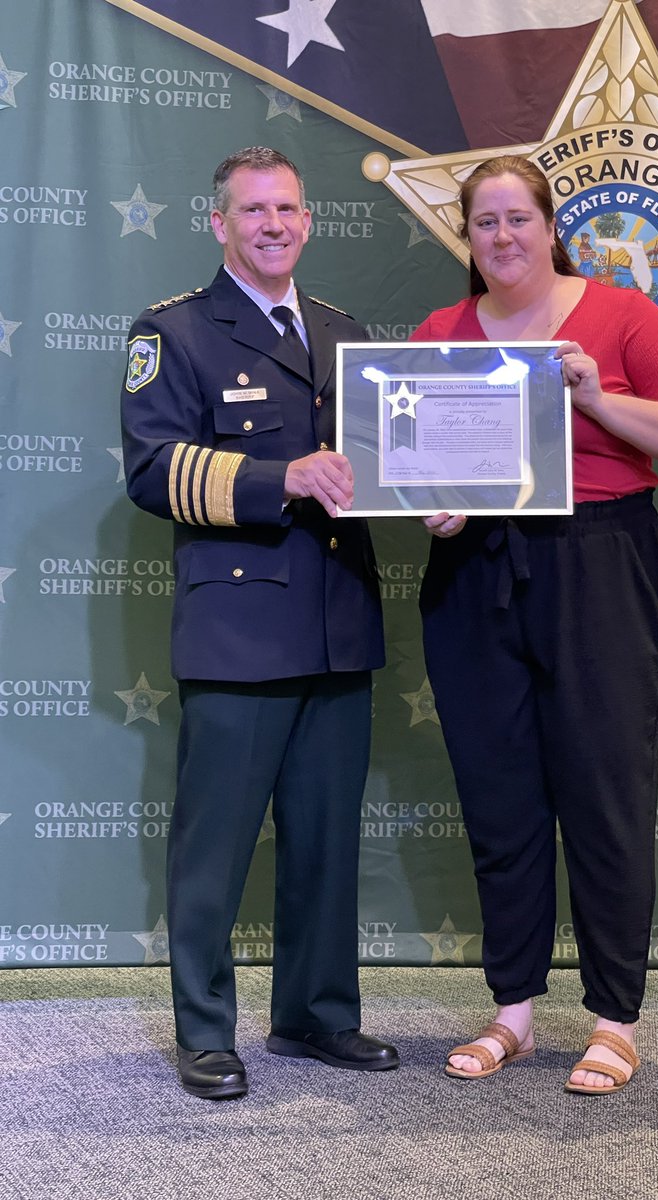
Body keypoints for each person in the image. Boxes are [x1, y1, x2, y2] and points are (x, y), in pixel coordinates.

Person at [411, 155, 658, 1095]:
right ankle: (512, 1013)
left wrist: (594, 399)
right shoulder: (442, 333)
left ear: (552, 227)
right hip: (475, 571)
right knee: (499, 795)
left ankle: (614, 1020)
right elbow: (420, 463)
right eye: (485, 223)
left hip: (600, 561)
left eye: (519, 219)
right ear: (469, 238)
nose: (504, 237)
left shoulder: (624, 319)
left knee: (604, 789)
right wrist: (439, 503)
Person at [120, 146, 398, 1100]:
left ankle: (317, 1016)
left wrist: (429, 497)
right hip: (238, 628)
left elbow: (376, 466)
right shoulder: (178, 332)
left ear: (308, 220)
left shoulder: (342, 331)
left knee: (326, 840)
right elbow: (154, 472)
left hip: (336, 623)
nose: (273, 223)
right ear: (221, 225)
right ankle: (204, 1031)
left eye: (288, 207)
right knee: (216, 846)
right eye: (254, 210)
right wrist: (283, 480)